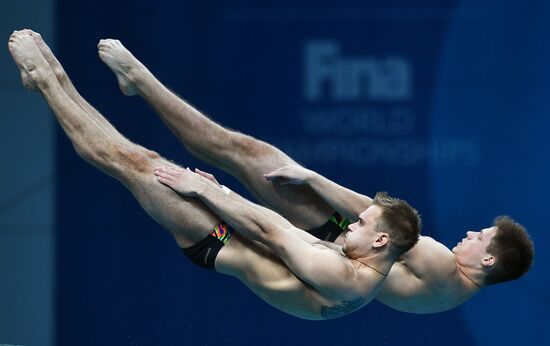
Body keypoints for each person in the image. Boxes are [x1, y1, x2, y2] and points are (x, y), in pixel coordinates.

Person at [95, 36, 535, 314]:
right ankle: (140, 86)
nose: (474, 232)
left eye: (483, 237)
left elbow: (376, 218)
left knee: (237, 150)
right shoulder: (452, 297)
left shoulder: (441, 264)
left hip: (330, 240)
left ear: (490, 260)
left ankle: (140, 80)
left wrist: (312, 178)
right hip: (331, 260)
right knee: (236, 157)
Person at [8, 29, 421, 320]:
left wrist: (206, 193)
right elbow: (279, 226)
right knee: (144, 158)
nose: (350, 222)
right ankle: (60, 83)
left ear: (381, 240)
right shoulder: (359, 266)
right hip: (237, 232)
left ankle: (49, 80)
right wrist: (219, 190)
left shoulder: (343, 276)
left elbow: (269, 231)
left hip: (218, 244)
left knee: (133, 163)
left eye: (362, 223)